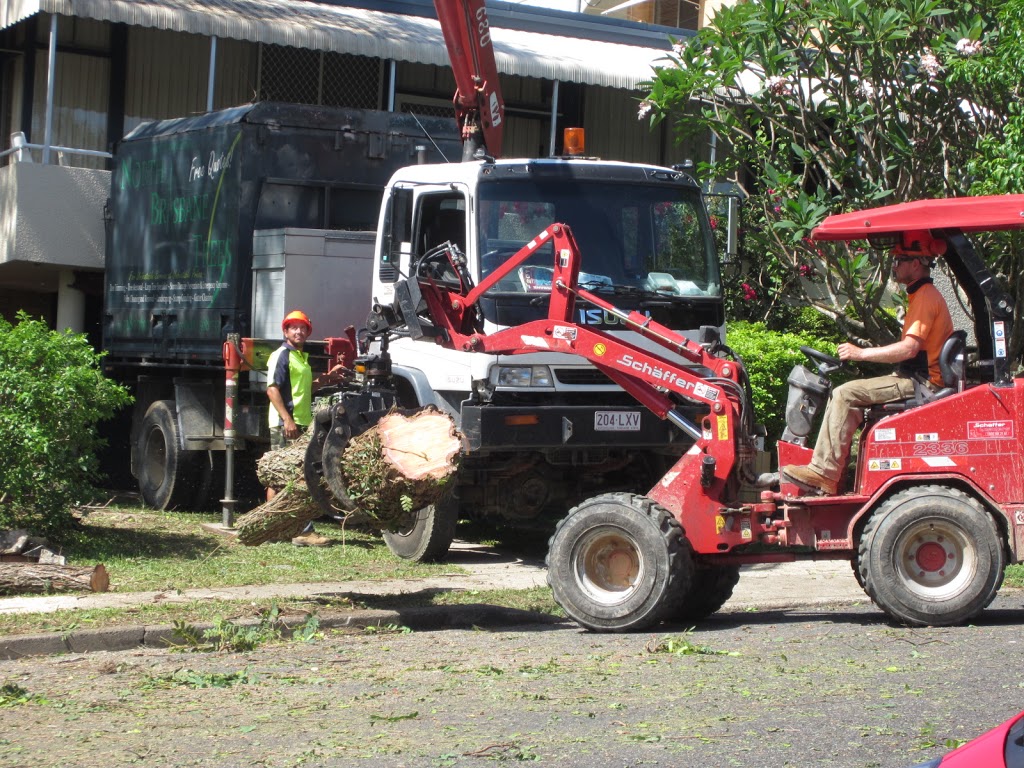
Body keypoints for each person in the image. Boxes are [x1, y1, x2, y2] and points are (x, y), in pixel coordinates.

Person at [781, 233, 954, 495]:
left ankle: (824, 472)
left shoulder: (926, 297)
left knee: (845, 393)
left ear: (917, 263)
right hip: (917, 378)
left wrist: (860, 354)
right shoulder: (920, 295)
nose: (894, 266)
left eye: (899, 260)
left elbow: (909, 348)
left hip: (922, 382)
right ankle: (835, 471)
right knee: (847, 393)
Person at [266, 309, 346, 546]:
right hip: (285, 424)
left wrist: (326, 379)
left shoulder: (300, 357)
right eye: (294, 327)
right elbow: (272, 389)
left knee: (287, 476)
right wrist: (287, 420)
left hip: (299, 423)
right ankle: (298, 530)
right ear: (285, 331)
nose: (299, 331)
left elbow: (302, 390)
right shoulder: (281, 355)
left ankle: (276, 528)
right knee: (287, 477)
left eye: (303, 328)